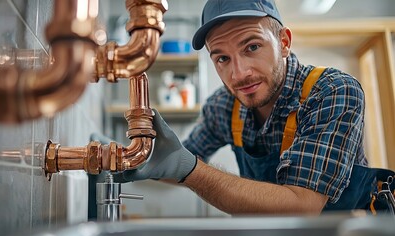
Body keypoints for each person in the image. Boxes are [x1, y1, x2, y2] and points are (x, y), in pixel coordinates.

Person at [110, 0, 395, 215]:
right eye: (222, 58)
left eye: (252, 47)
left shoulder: (332, 91)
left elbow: (303, 206)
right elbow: (181, 160)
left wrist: (190, 170)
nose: (239, 74)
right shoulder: (223, 106)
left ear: (284, 42)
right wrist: (137, 158)